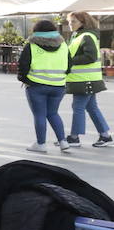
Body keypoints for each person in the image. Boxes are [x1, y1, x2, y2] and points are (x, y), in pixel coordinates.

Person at [17, 19, 70, 154]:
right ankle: (63, 142)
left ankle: (41, 144)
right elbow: (70, 66)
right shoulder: (64, 45)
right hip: (58, 86)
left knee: (39, 115)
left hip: (36, 85)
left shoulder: (31, 46)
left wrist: (23, 79)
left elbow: (23, 65)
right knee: (53, 113)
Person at [64, 11, 110, 148]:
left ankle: (74, 137)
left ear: (83, 23)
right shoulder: (78, 35)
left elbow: (90, 57)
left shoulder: (86, 36)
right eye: (69, 22)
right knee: (92, 107)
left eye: (73, 22)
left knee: (78, 107)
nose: (70, 24)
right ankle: (105, 135)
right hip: (85, 79)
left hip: (85, 79)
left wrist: (69, 61)